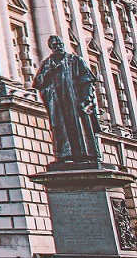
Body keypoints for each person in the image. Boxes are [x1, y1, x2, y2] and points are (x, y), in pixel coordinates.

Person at [32, 35, 102, 164]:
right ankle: (64, 155)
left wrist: (86, 98)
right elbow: (37, 82)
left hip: (74, 101)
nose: (58, 47)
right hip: (57, 102)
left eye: (59, 44)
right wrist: (48, 73)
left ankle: (85, 155)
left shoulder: (75, 60)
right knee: (60, 128)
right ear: (51, 47)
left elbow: (87, 81)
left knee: (80, 128)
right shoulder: (47, 64)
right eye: (54, 45)